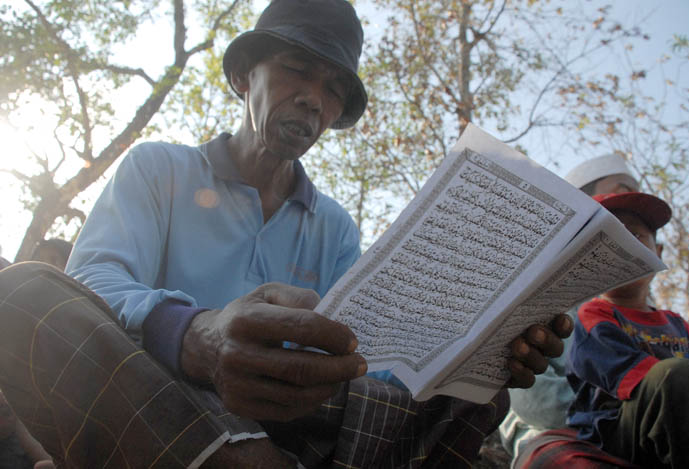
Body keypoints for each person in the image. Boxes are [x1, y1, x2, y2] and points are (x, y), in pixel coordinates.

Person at [0, 1, 572, 467]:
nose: (314, 99)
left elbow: (365, 357)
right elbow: (93, 277)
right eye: (298, 67)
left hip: (295, 418)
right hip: (160, 392)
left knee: (470, 396)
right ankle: (238, 455)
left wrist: (488, 351)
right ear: (244, 76)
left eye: (333, 90)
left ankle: (251, 453)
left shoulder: (334, 227)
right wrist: (197, 337)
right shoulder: (160, 169)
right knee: (22, 296)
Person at [500, 153, 642, 468]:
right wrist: (626, 415)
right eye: (620, 189)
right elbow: (533, 400)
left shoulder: (648, 315)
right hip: (551, 434)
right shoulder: (539, 290)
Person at [567, 191, 689, 468]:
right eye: (608, 241)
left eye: (635, 236)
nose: (623, 249)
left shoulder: (677, 323)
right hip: (621, 432)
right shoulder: (593, 315)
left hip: (681, 423)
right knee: (675, 373)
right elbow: (662, 380)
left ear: (658, 252)